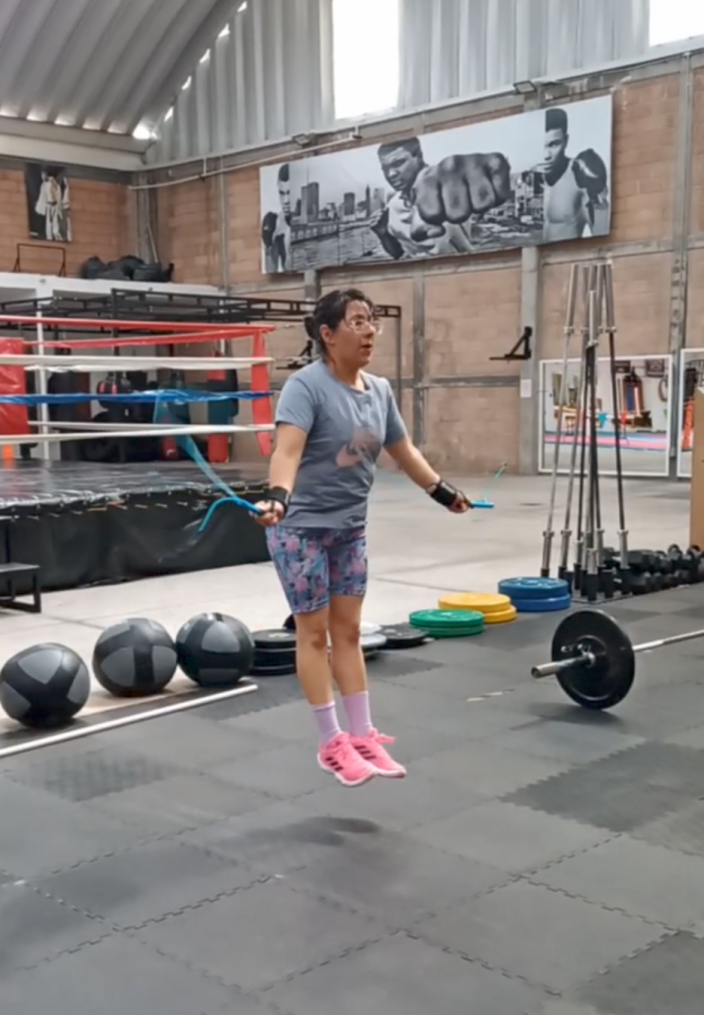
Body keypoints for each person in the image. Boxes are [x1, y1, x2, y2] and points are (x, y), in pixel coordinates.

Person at [255, 288, 473, 788]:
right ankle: (331, 743)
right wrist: (277, 498)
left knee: (349, 633)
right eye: (357, 322)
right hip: (301, 530)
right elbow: (287, 452)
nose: (370, 330)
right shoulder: (305, 388)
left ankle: (362, 735)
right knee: (313, 634)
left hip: (350, 529)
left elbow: (403, 449)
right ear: (328, 335)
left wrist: (442, 492)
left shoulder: (379, 391)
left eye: (372, 320)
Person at [371, 138, 511, 260]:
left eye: (398, 163)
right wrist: (384, 235)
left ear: (419, 157)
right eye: (385, 168)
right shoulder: (393, 205)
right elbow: (400, 255)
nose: (391, 174)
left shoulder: (443, 189)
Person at [535, 108, 609, 242]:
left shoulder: (578, 176)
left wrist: (600, 203)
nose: (546, 155)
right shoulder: (530, 176)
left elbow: (602, 238)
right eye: (540, 145)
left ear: (566, 141)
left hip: (565, 255)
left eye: (554, 145)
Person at [261, 163, 292, 272]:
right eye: (282, 193)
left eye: (290, 193)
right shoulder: (275, 226)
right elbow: (271, 272)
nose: (286, 201)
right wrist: (268, 245)